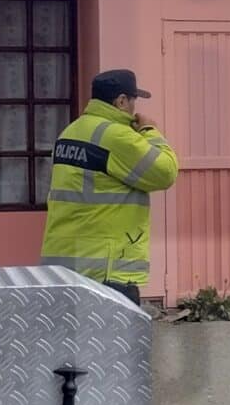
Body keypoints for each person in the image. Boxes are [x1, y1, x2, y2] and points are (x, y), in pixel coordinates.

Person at [41, 69, 180, 304]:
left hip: (65, 265)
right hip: (106, 271)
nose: (136, 109)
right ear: (122, 101)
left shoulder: (70, 131)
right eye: (134, 101)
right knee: (116, 341)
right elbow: (165, 172)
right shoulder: (116, 137)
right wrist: (150, 131)